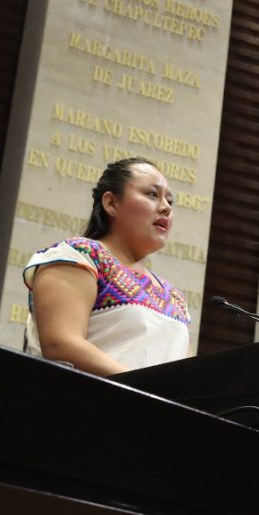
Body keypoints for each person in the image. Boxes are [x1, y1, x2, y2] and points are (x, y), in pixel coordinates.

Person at [22, 157, 189, 376]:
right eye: (152, 194)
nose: (165, 207)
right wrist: (147, 393)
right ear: (111, 203)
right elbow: (60, 343)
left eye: (170, 201)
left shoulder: (173, 296)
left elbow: (188, 375)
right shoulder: (80, 256)